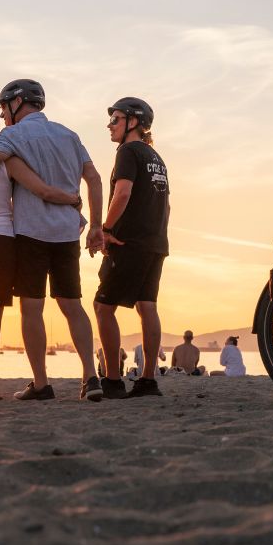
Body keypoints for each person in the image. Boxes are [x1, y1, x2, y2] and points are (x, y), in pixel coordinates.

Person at [0, 79, 105, 402]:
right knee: (72, 304)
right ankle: (90, 376)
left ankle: (41, 384)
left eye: (4, 106)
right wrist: (95, 224)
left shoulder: (12, 138)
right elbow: (95, 178)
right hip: (66, 231)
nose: (2, 115)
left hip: (29, 233)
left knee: (32, 309)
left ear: (17, 102)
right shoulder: (70, 135)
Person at [93, 97, 170, 399]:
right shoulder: (156, 157)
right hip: (155, 242)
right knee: (146, 305)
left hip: (129, 242)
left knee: (102, 307)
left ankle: (112, 379)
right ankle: (148, 380)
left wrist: (106, 229)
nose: (109, 125)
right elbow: (166, 206)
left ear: (133, 122)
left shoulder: (127, 152)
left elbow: (122, 193)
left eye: (115, 119)